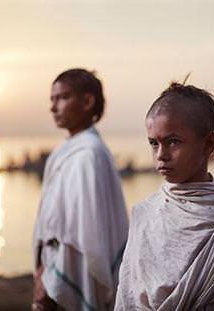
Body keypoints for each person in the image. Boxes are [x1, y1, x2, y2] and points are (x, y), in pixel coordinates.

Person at [115, 82, 214, 310]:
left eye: (174, 142)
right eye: (153, 143)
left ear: (209, 144)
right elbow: (128, 293)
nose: (161, 155)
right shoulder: (144, 213)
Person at [33, 68, 129, 311]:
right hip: (51, 266)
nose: (53, 107)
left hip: (69, 273)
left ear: (87, 101)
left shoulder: (89, 155)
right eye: (52, 100)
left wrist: (51, 280)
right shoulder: (71, 150)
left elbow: (85, 234)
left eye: (62, 98)